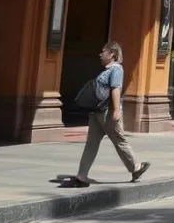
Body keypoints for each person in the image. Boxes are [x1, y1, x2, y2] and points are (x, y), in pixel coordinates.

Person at [63, 42, 151, 187]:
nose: (101, 54)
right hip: (96, 113)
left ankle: (136, 167)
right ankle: (81, 176)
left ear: (112, 54)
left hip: (107, 113)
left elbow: (116, 89)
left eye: (104, 51)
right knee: (91, 144)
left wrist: (116, 110)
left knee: (119, 140)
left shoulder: (116, 69)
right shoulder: (107, 70)